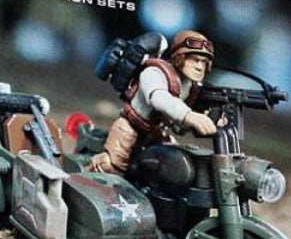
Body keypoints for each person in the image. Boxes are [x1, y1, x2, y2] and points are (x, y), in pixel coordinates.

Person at [88, 30, 217, 174]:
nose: (199, 67)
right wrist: (188, 115)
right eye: (194, 60)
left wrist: (214, 117)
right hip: (130, 127)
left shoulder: (191, 87)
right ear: (179, 57)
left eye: (204, 62)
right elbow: (158, 98)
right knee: (110, 166)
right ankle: (80, 178)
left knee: (172, 168)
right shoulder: (154, 72)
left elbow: (179, 123)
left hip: (157, 132)